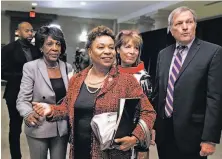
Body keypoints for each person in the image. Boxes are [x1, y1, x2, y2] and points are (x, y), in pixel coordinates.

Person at [32, 25, 156, 159]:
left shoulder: (126, 81)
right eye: (101, 47)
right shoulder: (77, 79)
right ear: (90, 51)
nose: (108, 51)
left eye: (111, 47)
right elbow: (67, 107)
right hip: (79, 150)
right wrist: (50, 110)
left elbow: (148, 112)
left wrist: (136, 137)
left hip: (111, 154)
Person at [153, 6, 222, 159]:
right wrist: (153, 126)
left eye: (189, 22)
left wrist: (209, 138)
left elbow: (215, 99)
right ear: (171, 29)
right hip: (164, 134)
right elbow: (159, 93)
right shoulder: (163, 55)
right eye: (179, 23)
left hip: (193, 135)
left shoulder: (213, 52)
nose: (185, 27)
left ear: (195, 25)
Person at [16, 26, 72, 159]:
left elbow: (70, 99)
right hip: (39, 125)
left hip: (61, 127)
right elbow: (22, 99)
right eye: (49, 44)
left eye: (58, 44)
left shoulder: (67, 67)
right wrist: (28, 113)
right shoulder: (31, 67)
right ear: (41, 47)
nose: (55, 48)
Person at [1, 22, 41, 159]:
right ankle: (15, 156)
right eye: (27, 31)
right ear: (18, 32)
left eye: (31, 31)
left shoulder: (36, 49)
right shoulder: (8, 49)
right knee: (15, 129)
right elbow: (3, 72)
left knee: (36, 127)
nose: (30, 33)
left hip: (35, 95)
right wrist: (24, 76)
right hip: (15, 94)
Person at [115, 29, 154, 158]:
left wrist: (142, 145)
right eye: (127, 47)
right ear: (117, 49)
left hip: (133, 139)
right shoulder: (110, 73)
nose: (132, 52)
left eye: (136, 48)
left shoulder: (142, 78)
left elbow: (147, 114)